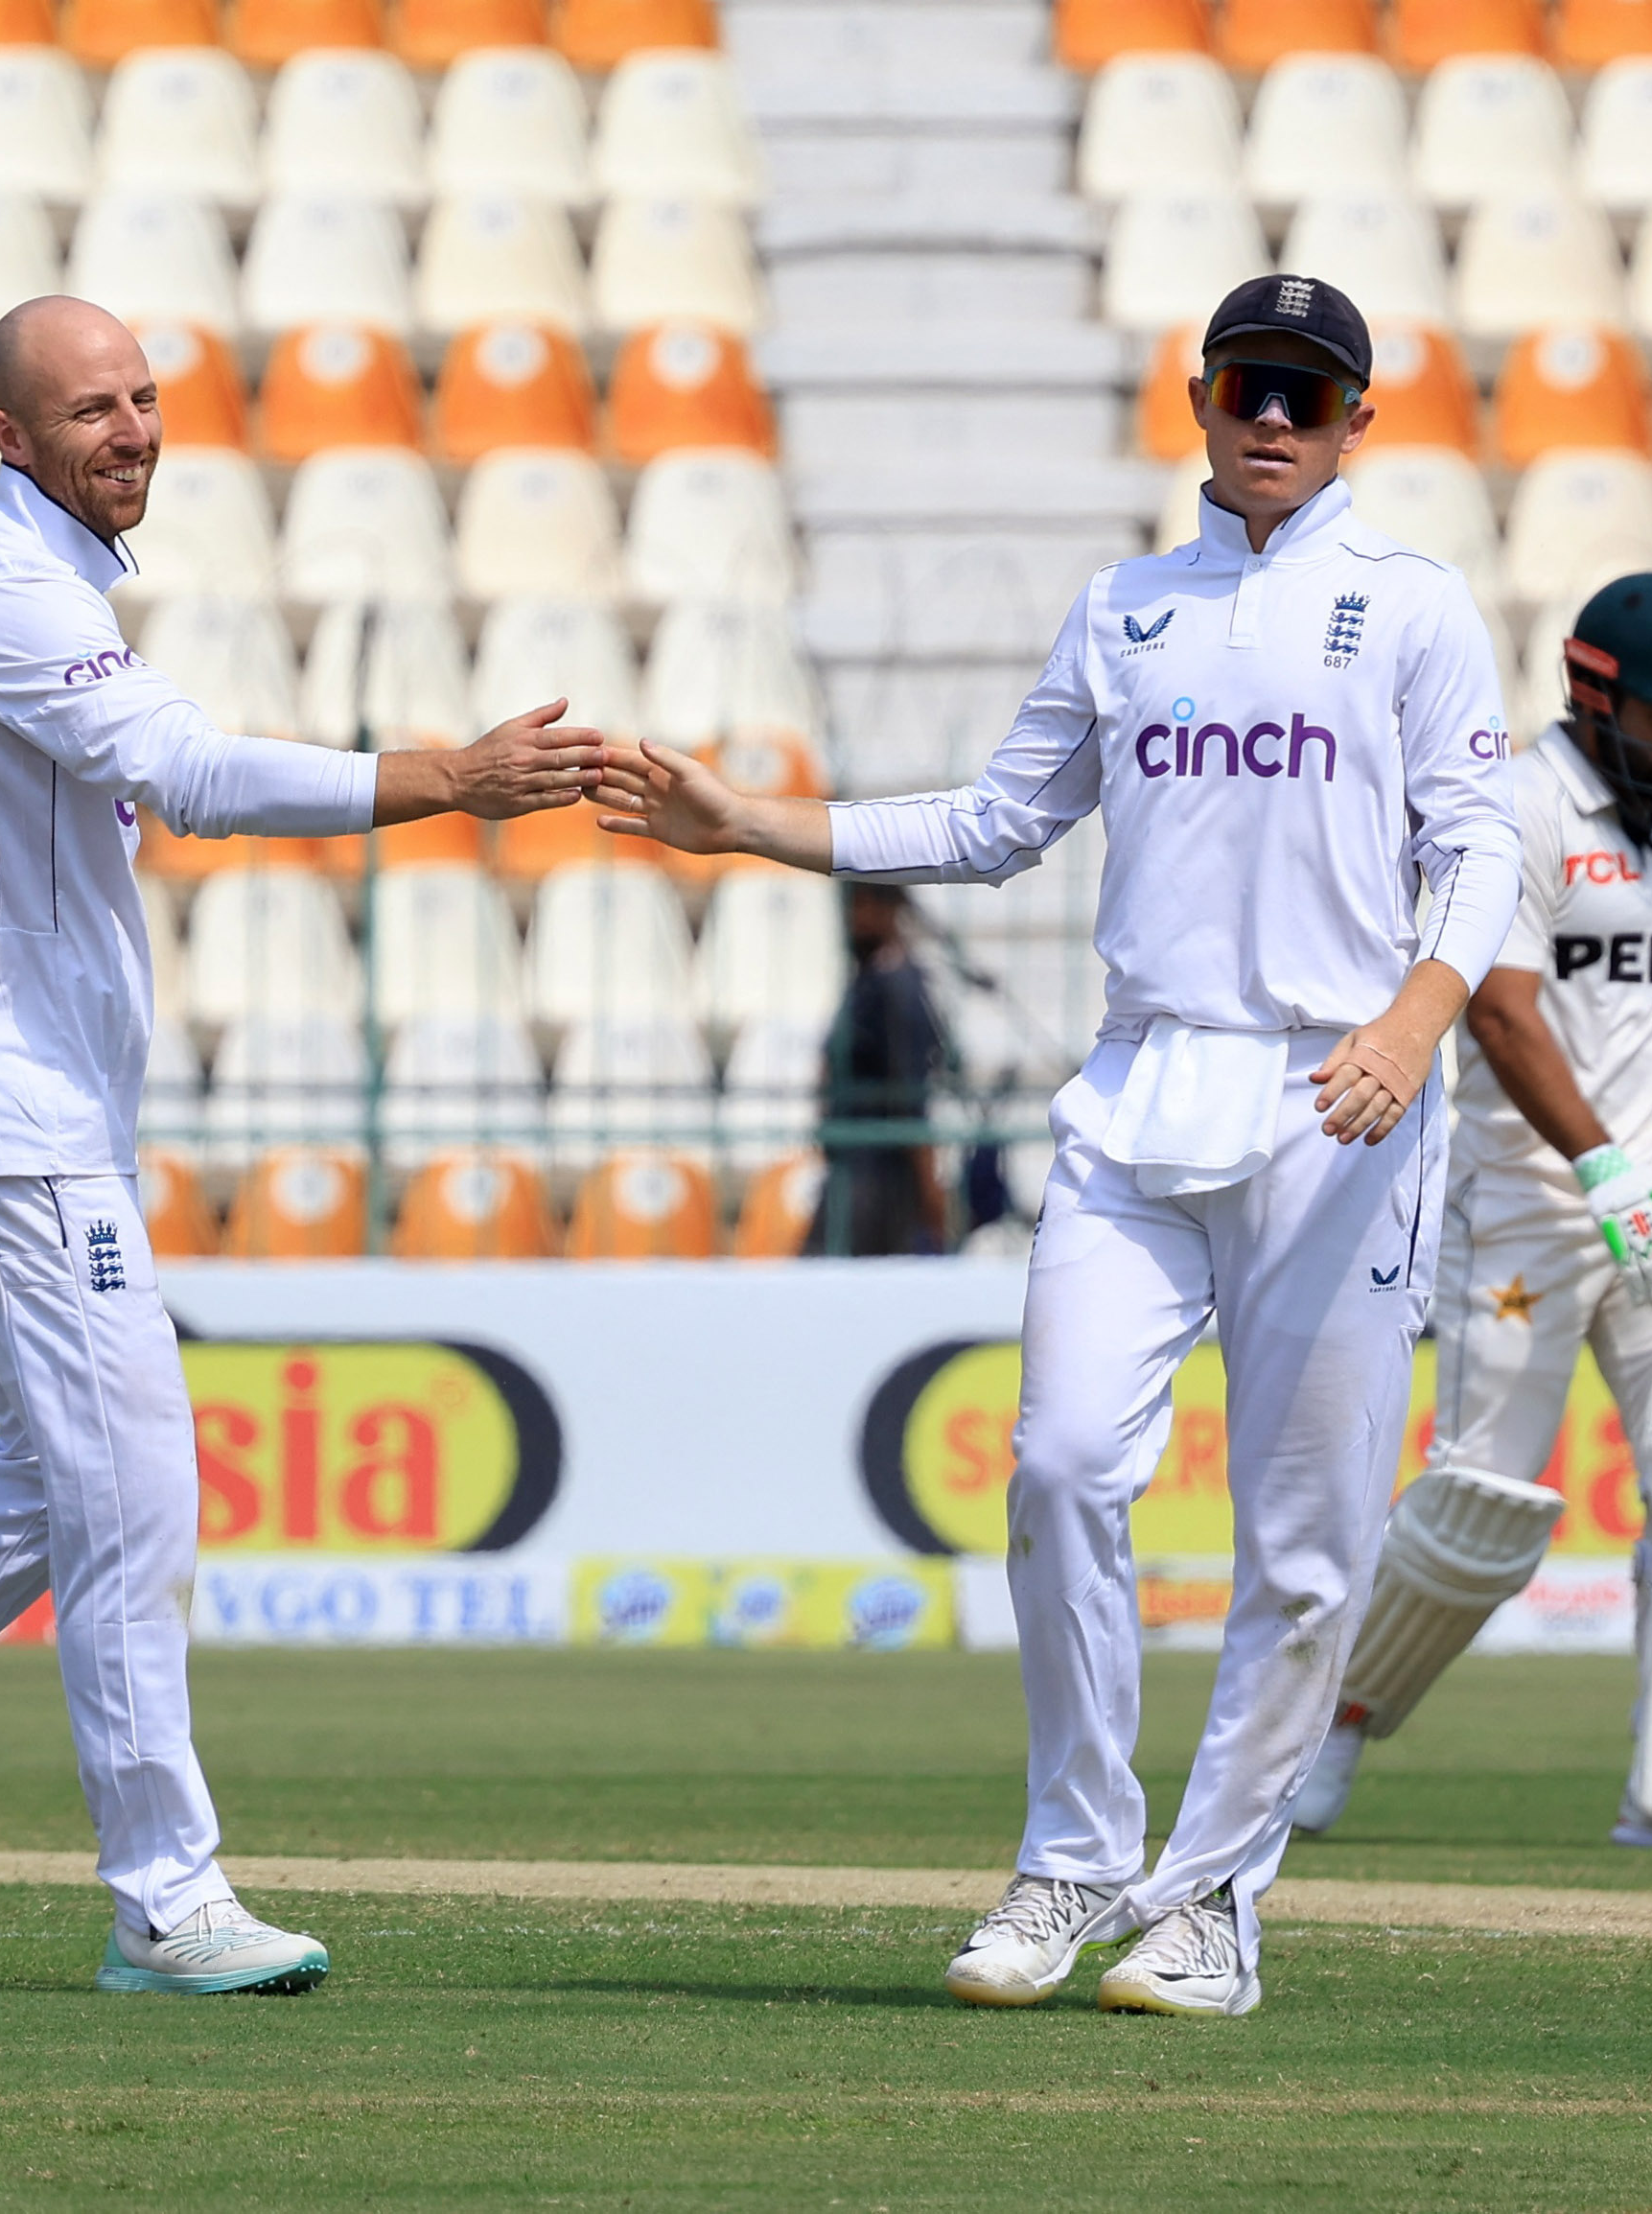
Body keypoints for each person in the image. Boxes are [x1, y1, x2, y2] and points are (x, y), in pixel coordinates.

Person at [593, 273, 1522, 2017]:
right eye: (1246, 386)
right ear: (1198, 399)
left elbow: (1478, 842)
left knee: (1301, 1543)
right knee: (1062, 1464)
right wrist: (750, 827)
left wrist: (1415, 1019)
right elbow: (994, 821)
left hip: (1339, 1095)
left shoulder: (1412, 605)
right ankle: (1075, 1857)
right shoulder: (1126, 610)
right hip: (1141, 1084)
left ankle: (1212, 1902)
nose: (1271, 418)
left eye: (1307, 395)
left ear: (1355, 423)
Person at [0, 297, 604, 1994]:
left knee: (55, 1473)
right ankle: (165, 1899)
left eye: (143, 398)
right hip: (12, 1113)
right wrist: (448, 778)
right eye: (89, 410)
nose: (131, 430)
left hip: (24, 1108)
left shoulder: (25, 597)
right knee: (136, 1490)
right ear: (9, 439)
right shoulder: (8, 600)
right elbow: (187, 774)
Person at [1284, 573, 1652, 1853]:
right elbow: (1498, 1013)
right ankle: (1328, 1722)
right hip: (1534, 1200)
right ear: (1594, 697)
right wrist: (1600, 1169)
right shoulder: (1517, 811)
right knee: (1481, 1507)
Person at [807, 882, 952, 1256]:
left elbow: (910, 1100)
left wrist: (931, 1193)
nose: (850, 919)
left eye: (860, 905)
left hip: (878, 1184)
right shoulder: (869, 978)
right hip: (852, 1173)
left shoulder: (896, 986)